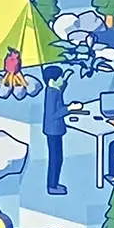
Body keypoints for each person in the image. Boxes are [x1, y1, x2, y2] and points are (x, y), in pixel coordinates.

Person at [41, 65, 83, 195]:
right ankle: (52, 186)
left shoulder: (54, 90)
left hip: (54, 130)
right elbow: (54, 113)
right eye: (60, 78)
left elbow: (61, 88)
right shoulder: (52, 94)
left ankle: (54, 183)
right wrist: (70, 108)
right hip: (53, 130)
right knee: (55, 159)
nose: (61, 80)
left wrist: (66, 78)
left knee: (57, 158)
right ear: (52, 81)